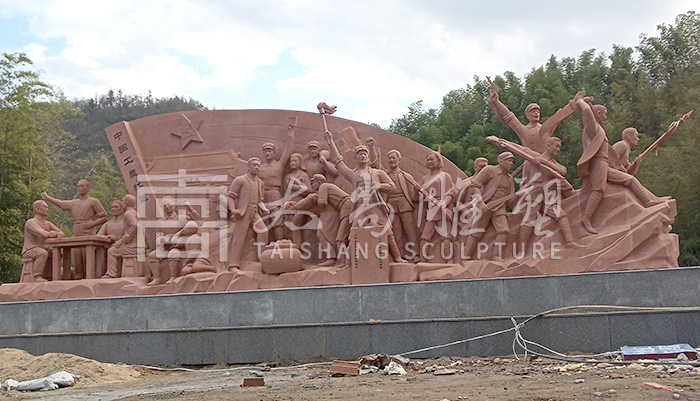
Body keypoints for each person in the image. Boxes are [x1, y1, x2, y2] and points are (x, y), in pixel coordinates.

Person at [576, 98, 663, 234]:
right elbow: (587, 112)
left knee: (630, 179)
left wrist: (634, 164)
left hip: (604, 163)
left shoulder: (600, 129)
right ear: (598, 114)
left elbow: (622, 166)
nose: (606, 116)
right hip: (598, 162)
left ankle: (648, 202)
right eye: (604, 113)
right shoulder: (593, 128)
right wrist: (581, 101)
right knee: (598, 189)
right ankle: (586, 219)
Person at [324, 130, 407, 263]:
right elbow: (339, 162)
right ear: (355, 158)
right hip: (361, 207)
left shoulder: (377, 173)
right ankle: (348, 262)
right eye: (359, 154)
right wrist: (330, 142)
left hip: (375, 205)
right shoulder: (353, 174)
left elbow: (392, 187)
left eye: (365, 154)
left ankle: (397, 258)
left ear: (368, 157)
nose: (362, 156)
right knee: (354, 232)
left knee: (387, 231)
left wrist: (379, 186)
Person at [488, 84, 585, 183]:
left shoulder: (546, 128)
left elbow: (559, 117)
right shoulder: (524, 130)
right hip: (530, 162)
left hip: (546, 163)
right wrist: (496, 102)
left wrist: (576, 103)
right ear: (527, 115)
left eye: (538, 111)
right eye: (533, 111)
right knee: (527, 187)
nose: (536, 113)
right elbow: (509, 117)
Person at [516, 137, 582, 249]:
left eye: (559, 147)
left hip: (548, 195)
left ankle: (570, 242)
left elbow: (563, 171)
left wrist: (543, 161)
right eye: (556, 146)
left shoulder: (553, 164)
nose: (558, 149)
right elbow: (523, 153)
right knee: (529, 220)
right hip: (534, 193)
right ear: (548, 146)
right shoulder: (532, 159)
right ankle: (520, 250)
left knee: (561, 215)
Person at [41, 180, 108, 279]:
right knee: (77, 256)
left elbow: (104, 217)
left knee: (87, 255)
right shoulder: (74, 202)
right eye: (78, 186)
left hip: (87, 231)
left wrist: (92, 223)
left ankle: (89, 276)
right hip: (76, 231)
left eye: (82, 186)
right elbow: (62, 204)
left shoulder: (93, 201)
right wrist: (48, 198)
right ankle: (78, 275)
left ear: (88, 188)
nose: (79, 188)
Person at [287, 174, 352, 266]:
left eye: (313, 183)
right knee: (332, 236)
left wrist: (296, 206)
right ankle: (338, 260)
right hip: (342, 208)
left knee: (338, 238)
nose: (312, 185)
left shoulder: (323, 186)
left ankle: (339, 260)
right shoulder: (326, 187)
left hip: (345, 208)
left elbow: (321, 202)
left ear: (319, 182)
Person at [462, 152, 517, 260]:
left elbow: (510, 202)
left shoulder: (509, 179)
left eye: (512, 161)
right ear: (501, 161)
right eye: (509, 160)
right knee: (476, 232)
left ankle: (497, 256)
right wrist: (480, 202)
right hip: (486, 205)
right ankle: (466, 256)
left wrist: (520, 196)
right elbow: (475, 184)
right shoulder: (489, 170)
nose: (511, 163)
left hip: (500, 208)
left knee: (504, 231)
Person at [147, 196, 202, 285]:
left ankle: (173, 277)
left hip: (178, 246)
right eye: (164, 205)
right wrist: (161, 240)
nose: (167, 207)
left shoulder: (182, 218)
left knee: (173, 253)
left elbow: (199, 223)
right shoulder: (160, 222)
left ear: (174, 205)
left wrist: (190, 208)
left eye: (169, 204)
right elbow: (158, 236)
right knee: (152, 255)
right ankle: (157, 278)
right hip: (165, 246)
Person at [227, 157, 269, 269]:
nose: (257, 168)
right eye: (254, 165)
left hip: (254, 211)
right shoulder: (240, 180)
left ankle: (262, 259)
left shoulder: (260, 183)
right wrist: (233, 210)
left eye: (258, 166)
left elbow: (260, 201)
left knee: (263, 230)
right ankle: (233, 265)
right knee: (239, 237)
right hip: (243, 212)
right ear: (248, 167)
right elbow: (230, 197)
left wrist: (264, 209)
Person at [259, 121, 295, 241]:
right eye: (265, 151)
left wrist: (290, 132)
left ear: (274, 153)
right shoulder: (259, 168)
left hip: (275, 194)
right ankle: (265, 245)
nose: (267, 153)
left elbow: (288, 149)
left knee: (277, 220)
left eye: (270, 151)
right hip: (262, 196)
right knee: (264, 221)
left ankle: (279, 242)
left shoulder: (279, 165)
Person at [418, 151, 455, 262]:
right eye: (428, 160)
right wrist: (418, 191)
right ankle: (423, 260)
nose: (429, 162)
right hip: (431, 209)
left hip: (442, 208)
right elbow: (419, 196)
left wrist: (444, 203)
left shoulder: (445, 176)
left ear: (438, 161)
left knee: (445, 236)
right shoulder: (424, 178)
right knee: (425, 237)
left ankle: (449, 260)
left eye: (432, 159)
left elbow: (450, 192)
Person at [384, 149, 419, 260]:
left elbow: (414, 197)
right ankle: (400, 256)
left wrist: (417, 191)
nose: (391, 160)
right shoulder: (384, 175)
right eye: (389, 158)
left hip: (405, 205)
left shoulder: (406, 176)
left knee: (410, 232)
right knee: (396, 233)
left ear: (399, 160)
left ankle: (415, 254)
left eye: (394, 158)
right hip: (391, 206)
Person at [21, 200, 65, 282]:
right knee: (42, 253)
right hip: (30, 249)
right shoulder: (31, 222)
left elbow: (62, 234)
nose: (47, 209)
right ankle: (37, 276)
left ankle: (52, 274)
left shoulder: (48, 223)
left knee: (56, 253)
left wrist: (54, 233)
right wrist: (50, 234)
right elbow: (42, 234)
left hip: (43, 247)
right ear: (37, 209)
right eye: (45, 207)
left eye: (47, 207)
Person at [102, 195, 138, 279]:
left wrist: (126, 238)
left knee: (111, 251)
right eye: (112, 207)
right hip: (134, 244)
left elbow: (134, 225)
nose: (122, 203)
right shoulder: (134, 212)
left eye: (123, 201)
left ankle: (111, 273)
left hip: (131, 246)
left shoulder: (128, 213)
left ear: (126, 203)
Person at [284, 153, 312, 244]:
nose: (292, 163)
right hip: (289, 204)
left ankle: (297, 246)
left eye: (295, 161)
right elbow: (286, 192)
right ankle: (290, 245)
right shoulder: (288, 177)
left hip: (300, 203)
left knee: (296, 224)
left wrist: (296, 187)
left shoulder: (303, 175)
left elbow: (309, 190)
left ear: (300, 162)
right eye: (291, 161)